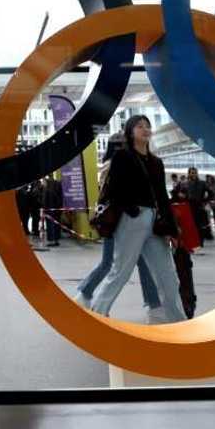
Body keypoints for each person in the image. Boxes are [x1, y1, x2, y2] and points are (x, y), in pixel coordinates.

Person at [87, 115, 187, 323]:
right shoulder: (123, 157)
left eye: (147, 126)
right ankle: (98, 313)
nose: (145, 129)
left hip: (155, 222)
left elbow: (163, 197)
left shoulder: (157, 163)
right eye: (139, 126)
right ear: (130, 132)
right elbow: (114, 190)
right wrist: (132, 210)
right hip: (132, 220)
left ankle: (178, 320)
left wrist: (172, 229)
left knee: (167, 274)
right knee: (121, 271)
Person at [76, 134, 162, 321]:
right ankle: (153, 306)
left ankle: (86, 296)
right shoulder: (122, 164)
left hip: (116, 221)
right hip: (125, 221)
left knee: (115, 263)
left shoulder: (109, 164)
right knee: (130, 264)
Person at [184, 167, 214, 242]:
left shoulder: (202, 183)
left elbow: (211, 193)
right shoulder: (185, 184)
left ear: (197, 173)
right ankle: (194, 240)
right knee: (191, 224)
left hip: (199, 206)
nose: (193, 174)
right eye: (192, 173)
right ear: (189, 173)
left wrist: (205, 201)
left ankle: (201, 240)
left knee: (200, 224)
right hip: (189, 206)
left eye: (195, 173)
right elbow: (180, 194)